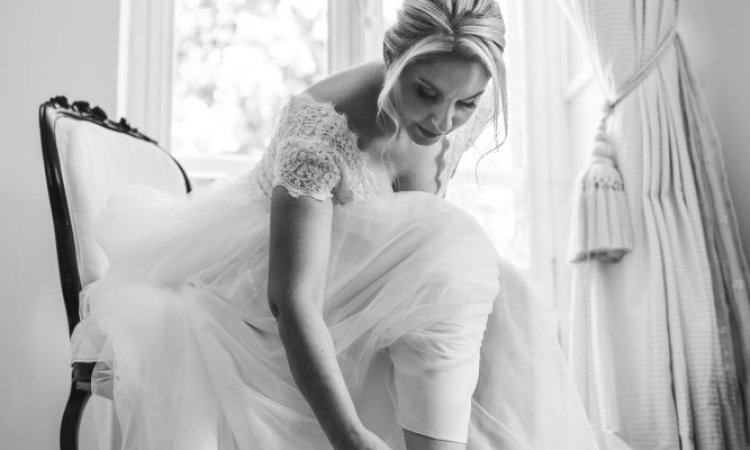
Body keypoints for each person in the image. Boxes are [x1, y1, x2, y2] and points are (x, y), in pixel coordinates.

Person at [71, 0, 599, 449]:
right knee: (461, 251)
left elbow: (416, 230)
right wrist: (349, 434)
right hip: (265, 294)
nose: (442, 122)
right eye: (426, 93)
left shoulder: (456, 106)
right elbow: (292, 300)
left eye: (466, 103)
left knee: (502, 287)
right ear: (393, 59)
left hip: (359, 286)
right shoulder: (322, 130)